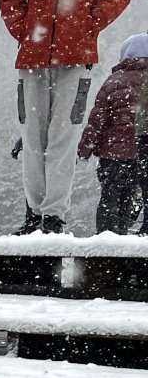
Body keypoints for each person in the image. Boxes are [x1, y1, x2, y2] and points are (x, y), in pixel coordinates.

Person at [0, 0, 137, 234]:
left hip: (76, 56)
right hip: (32, 56)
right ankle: (33, 213)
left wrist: (92, 21)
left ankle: (53, 216)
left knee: (64, 134)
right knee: (32, 135)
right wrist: (25, 30)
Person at [77, 33, 148, 234]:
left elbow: (96, 120)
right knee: (133, 198)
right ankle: (125, 243)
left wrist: (84, 149)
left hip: (113, 155)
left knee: (110, 197)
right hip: (142, 155)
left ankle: (106, 242)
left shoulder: (114, 81)